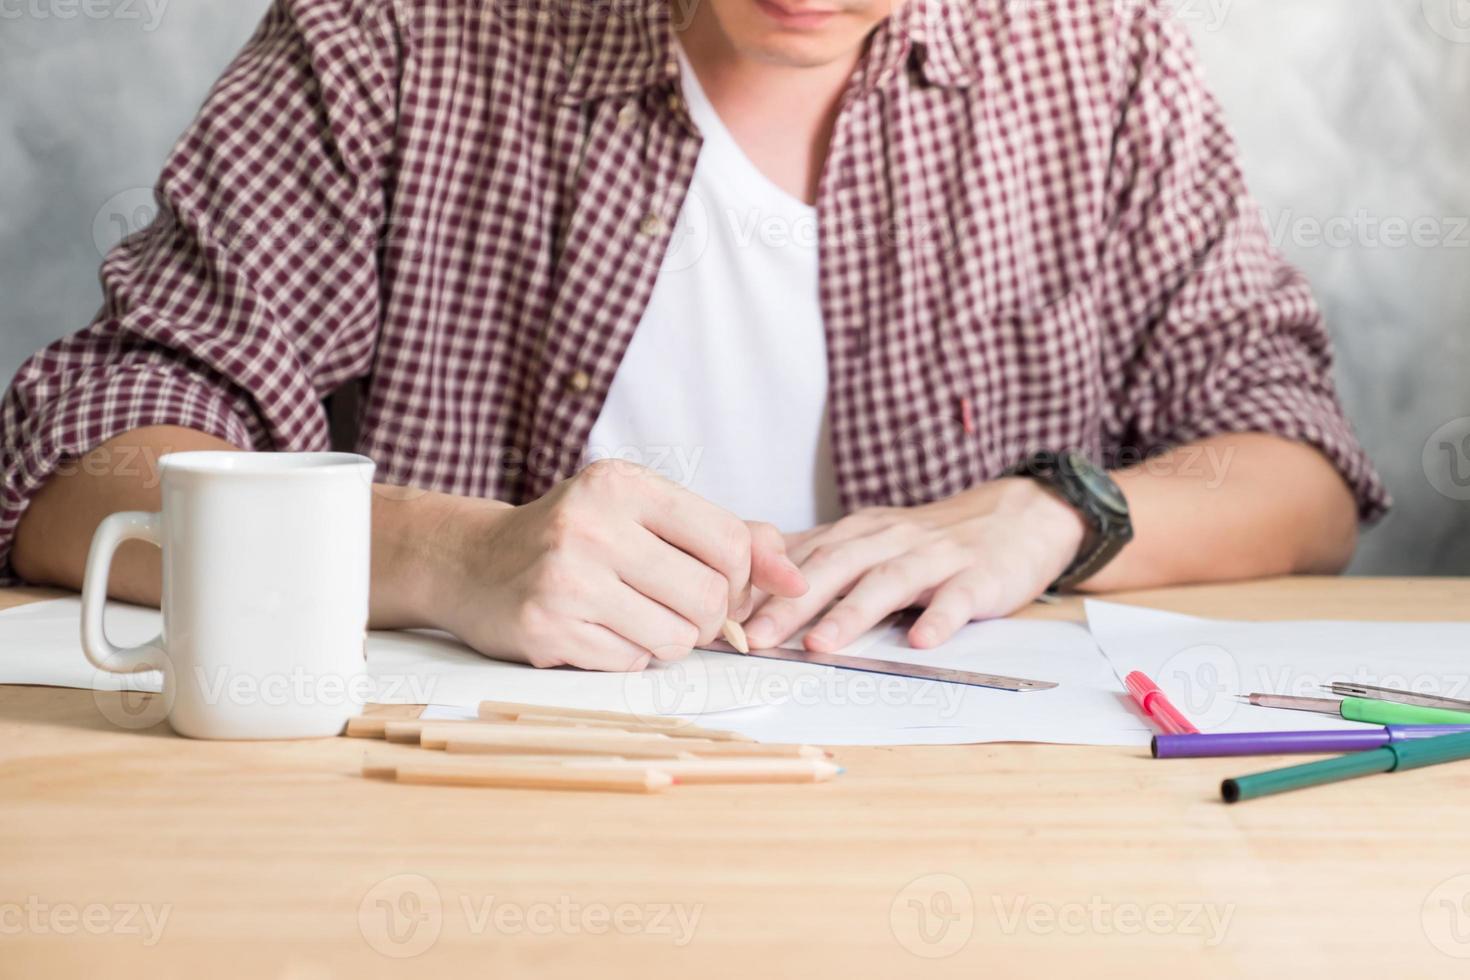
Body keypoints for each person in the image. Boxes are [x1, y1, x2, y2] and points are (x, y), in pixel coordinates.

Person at [0, 0, 1387, 672]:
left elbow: (1296, 463)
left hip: (974, 836)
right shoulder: (391, 36)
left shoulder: (1097, 56)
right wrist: (446, 556)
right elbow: (72, 470)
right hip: (466, 840)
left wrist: (1055, 513)